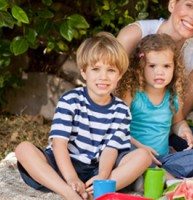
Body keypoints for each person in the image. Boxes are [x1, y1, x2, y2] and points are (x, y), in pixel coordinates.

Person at [15, 32, 152, 200]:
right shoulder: (70, 100)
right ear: (84, 72)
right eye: (96, 69)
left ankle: (100, 188)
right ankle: (67, 191)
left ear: (120, 75)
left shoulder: (121, 110)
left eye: (111, 70)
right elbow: (59, 145)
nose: (103, 76)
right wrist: (72, 178)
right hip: (63, 164)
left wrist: (102, 175)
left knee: (143, 156)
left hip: (98, 167)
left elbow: (110, 150)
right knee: (23, 149)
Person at [117, 0, 193, 171]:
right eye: (189, 5)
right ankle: (146, 171)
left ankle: (157, 168)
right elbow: (107, 105)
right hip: (125, 133)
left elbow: (180, 113)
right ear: (171, 5)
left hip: (164, 128)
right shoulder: (134, 35)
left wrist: (172, 134)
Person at [116, 33, 193, 179]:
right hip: (134, 154)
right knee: (130, 156)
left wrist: (185, 131)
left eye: (166, 66)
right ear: (140, 67)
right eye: (152, 66)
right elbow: (118, 128)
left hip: (162, 159)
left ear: (175, 67)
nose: (160, 72)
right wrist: (142, 149)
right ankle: (161, 177)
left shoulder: (174, 94)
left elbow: (178, 122)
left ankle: (153, 175)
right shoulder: (132, 92)